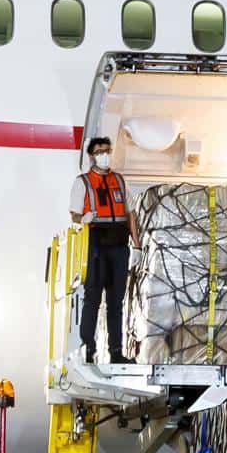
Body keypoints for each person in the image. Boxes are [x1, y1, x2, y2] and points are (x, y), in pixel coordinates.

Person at [69, 135, 141, 364]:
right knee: (92, 298)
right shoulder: (83, 182)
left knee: (116, 302)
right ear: (92, 156)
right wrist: (83, 218)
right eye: (100, 152)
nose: (105, 156)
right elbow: (74, 214)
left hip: (119, 247)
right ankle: (88, 349)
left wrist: (137, 245)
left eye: (107, 151)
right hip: (96, 247)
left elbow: (131, 213)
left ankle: (116, 352)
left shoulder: (119, 180)